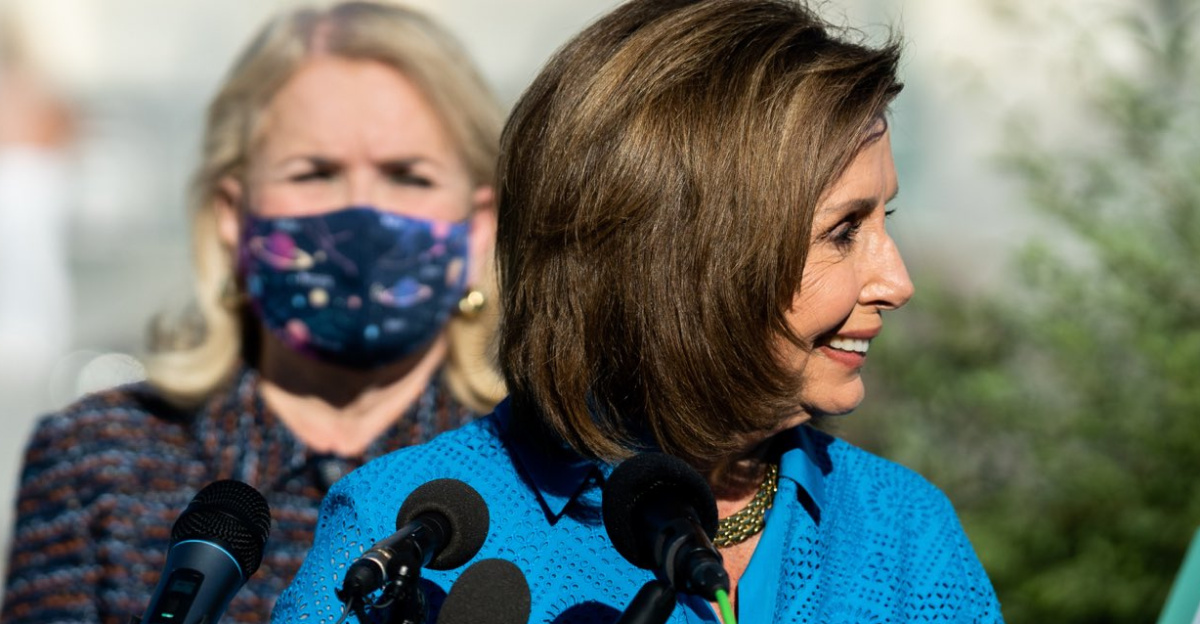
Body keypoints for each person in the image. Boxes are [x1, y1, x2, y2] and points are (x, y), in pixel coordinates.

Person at [273, 0, 1004, 622]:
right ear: (681, 257)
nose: (896, 280)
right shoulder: (405, 533)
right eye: (844, 231)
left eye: (887, 220)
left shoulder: (904, 532)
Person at [0, 2, 504, 622]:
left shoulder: (549, 475)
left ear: (479, 227)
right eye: (315, 172)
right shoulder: (96, 459)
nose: (361, 213)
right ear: (234, 216)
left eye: (408, 176)